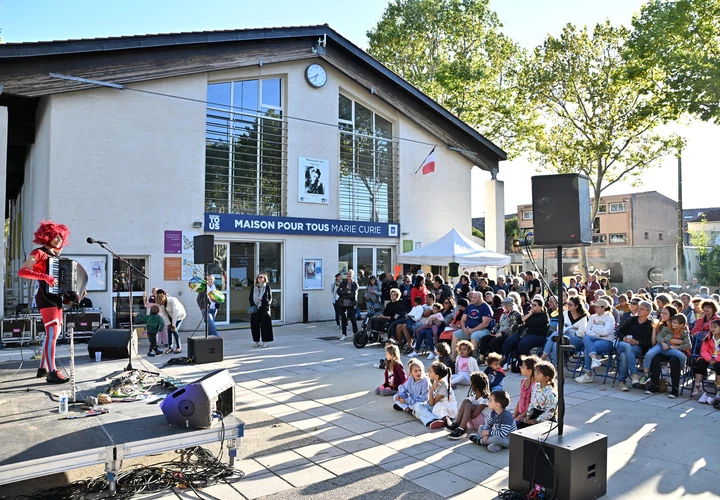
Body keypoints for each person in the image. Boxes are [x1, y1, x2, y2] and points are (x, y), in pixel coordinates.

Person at [18, 221, 72, 383]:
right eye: (55, 236)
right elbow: (22, 271)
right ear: (46, 236)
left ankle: (43, 368)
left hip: (56, 298)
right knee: (52, 335)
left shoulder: (55, 255)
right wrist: (45, 277)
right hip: (45, 297)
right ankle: (52, 371)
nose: (58, 240)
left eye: (61, 237)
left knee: (53, 334)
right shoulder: (39, 253)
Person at [640, 311, 690, 392]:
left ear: (682, 324)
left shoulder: (684, 332)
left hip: (672, 349)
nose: (672, 324)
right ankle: (649, 378)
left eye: (675, 323)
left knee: (680, 357)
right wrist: (664, 342)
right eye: (672, 322)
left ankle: (676, 384)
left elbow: (688, 345)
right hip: (662, 346)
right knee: (651, 355)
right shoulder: (667, 328)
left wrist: (677, 347)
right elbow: (659, 336)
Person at [616, 300, 654, 390]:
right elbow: (619, 332)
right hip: (623, 343)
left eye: (642, 309)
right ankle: (633, 373)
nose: (638, 310)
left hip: (637, 347)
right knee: (626, 346)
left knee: (624, 355)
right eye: (639, 308)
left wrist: (637, 342)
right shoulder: (632, 320)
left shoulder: (649, 325)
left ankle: (622, 381)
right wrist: (624, 338)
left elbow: (649, 343)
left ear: (648, 312)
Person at [575, 298, 616, 384]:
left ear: (603, 307)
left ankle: (588, 374)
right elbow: (587, 331)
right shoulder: (593, 317)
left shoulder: (609, 318)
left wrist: (595, 330)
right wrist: (599, 333)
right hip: (593, 339)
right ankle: (594, 359)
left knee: (587, 348)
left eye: (597, 307)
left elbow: (606, 332)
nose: (595, 309)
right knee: (586, 337)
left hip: (606, 341)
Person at [502, 298, 550, 367]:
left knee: (523, 345)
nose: (532, 307)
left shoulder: (544, 316)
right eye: (531, 305)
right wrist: (529, 314)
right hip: (524, 333)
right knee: (508, 342)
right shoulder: (530, 313)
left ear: (540, 307)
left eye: (534, 305)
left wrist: (525, 321)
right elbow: (519, 320)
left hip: (537, 335)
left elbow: (532, 323)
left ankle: (530, 365)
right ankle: (508, 363)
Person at [541, 296, 588, 363]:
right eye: (568, 304)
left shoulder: (583, 317)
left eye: (570, 305)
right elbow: (558, 328)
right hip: (563, 336)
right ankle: (557, 365)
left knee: (556, 336)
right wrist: (573, 329)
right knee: (555, 343)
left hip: (577, 340)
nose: (568, 306)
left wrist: (568, 329)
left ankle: (543, 357)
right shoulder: (565, 313)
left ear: (576, 306)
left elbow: (580, 333)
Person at [446, 372, 491, 440]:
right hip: (473, 424)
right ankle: (457, 424)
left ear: (475, 385)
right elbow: (466, 406)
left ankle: (461, 430)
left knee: (468, 406)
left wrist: (467, 411)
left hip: (483, 424)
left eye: (471, 383)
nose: (470, 385)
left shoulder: (485, 399)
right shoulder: (473, 396)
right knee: (465, 401)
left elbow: (473, 415)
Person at [412, 362, 457, 429]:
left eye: (430, 372)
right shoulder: (436, 380)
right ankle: (435, 420)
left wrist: (431, 390)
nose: (428, 373)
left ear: (436, 376)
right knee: (417, 405)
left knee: (418, 412)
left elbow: (432, 403)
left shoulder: (443, 385)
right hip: (436, 407)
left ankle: (434, 419)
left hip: (445, 409)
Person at [478, 298, 522, 364]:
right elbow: (499, 324)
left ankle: (500, 358)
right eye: (504, 305)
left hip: (509, 334)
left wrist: (501, 333)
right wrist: (493, 331)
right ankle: (481, 358)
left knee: (494, 341)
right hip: (499, 332)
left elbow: (513, 328)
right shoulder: (504, 313)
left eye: (507, 306)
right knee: (485, 338)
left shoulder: (515, 314)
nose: (505, 307)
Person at [451, 291, 493, 359]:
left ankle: (471, 358)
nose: (472, 299)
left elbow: (485, 324)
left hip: (483, 330)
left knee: (474, 335)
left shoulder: (486, 308)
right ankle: (453, 358)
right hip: (468, 329)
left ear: (480, 299)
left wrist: (472, 330)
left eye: (475, 298)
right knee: (455, 334)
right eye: (472, 297)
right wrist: (464, 328)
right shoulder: (470, 306)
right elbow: (463, 319)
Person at [518, 361, 558, 429]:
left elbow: (550, 411)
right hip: (534, 414)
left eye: (538, 373)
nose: (535, 374)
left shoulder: (551, 393)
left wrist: (536, 420)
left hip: (545, 419)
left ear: (546, 377)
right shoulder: (536, 386)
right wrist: (528, 415)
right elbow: (532, 402)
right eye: (535, 372)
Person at [692, 319, 720, 403]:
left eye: (715, 327)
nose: (712, 329)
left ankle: (719, 388)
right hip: (709, 357)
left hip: (718, 359)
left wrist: (715, 360)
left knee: (719, 367)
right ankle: (697, 385)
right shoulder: (708, 338)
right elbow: (704, 350)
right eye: (711, 327)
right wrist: (709, 359)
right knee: (699, 363)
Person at [249, 273, 273, 347]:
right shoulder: (253, 287)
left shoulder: (267, 287)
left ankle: (265, 341)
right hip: (255, 308)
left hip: (264, 309)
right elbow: (250, 297)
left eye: (261, 277)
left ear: (264, 279)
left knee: (265, 326)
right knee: (255, 325)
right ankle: (257, 341)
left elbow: (270, 298)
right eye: (258, 277)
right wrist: (253, 305)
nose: (260, 278)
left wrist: (267, 305)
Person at [513, 356, 540, 425]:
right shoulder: (523, 382)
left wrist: (520, 416)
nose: (520, 368)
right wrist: (515, 414)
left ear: (530, 370)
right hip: (520, 413)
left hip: (528, 416)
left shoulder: (536, 385)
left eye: (523, 367)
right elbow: (521, 399)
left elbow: (533, 405)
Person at [337, 269, 359, 341]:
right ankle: (344, 334)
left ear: (352, 276)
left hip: (351, 304)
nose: (349, 276)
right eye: (348, 275)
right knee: (343, 319)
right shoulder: (343, 283)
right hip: (342, 303)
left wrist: (344, 293)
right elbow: (338, 291)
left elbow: (353, 294)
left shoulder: (354, 284)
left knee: (352, 319)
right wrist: (347, 292)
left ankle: (355, 333)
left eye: (350, 275)